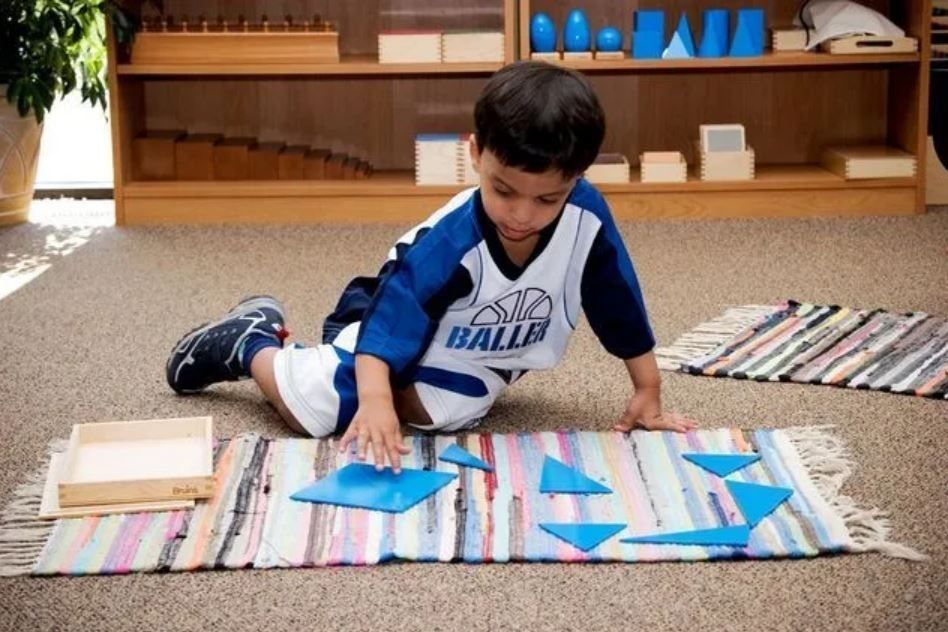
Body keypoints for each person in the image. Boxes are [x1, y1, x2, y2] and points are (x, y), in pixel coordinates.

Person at [166, 61, 696, 473]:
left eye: (546, 201)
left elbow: (617, 299)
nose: (520, 214)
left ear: (577, 180)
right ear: (476, 154)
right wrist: (374, 401)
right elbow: (396, 316)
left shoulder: (587, 217)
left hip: (475, 350)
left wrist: (647, 389)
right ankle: (252, 343)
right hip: (384, 320)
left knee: (447, 415)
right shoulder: (451, 242)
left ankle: (364, 383)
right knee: (323, 411)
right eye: (503, 191)